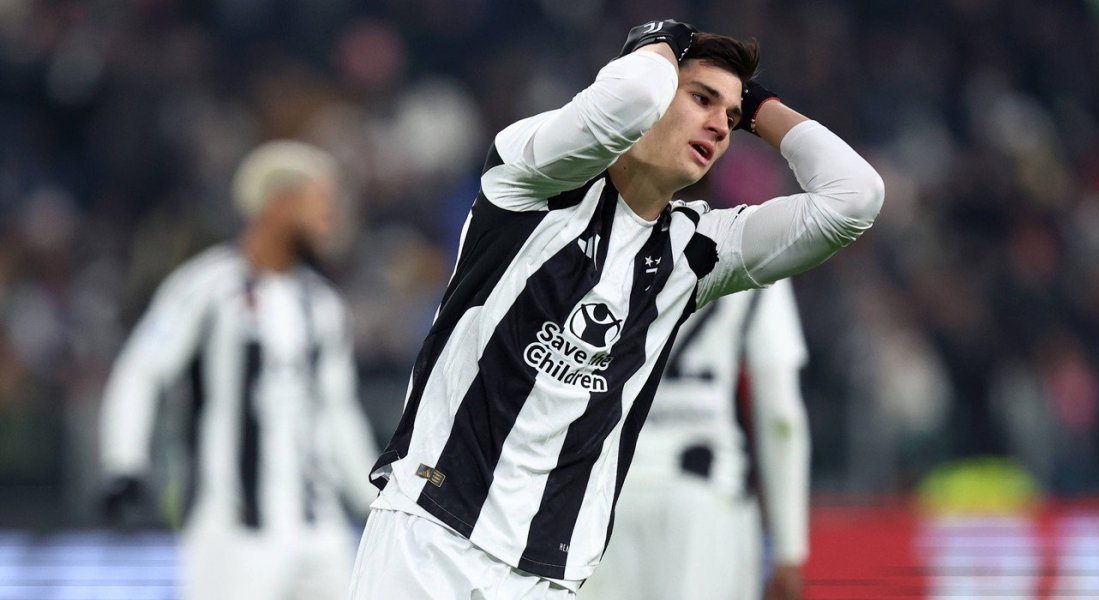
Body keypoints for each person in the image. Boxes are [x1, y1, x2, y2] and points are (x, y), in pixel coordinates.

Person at [351, 19, 883, 599]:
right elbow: (630, 98)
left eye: (730, 120)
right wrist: (661, 39)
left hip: (548, 574)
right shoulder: (531, 179)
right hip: (430, 531)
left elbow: (855, 198)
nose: (718, 125)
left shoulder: (697, 251)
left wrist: (759, 107)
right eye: (701, 99)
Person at [97, 141, 380, 600]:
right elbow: (141, 370)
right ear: (280, 203)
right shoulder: (207, 287)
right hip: (230, 532)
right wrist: (123, 461)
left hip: (320, 530)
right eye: (321, 202)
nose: (331, 218)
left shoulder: (324, 305)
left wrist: (375, 501)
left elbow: (337, 411)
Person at [579, 282, 811, 600]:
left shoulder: (598, 250)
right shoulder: (759, 255)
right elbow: (780, 414)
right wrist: (789, 549)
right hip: (706, 496)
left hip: (602, 491)